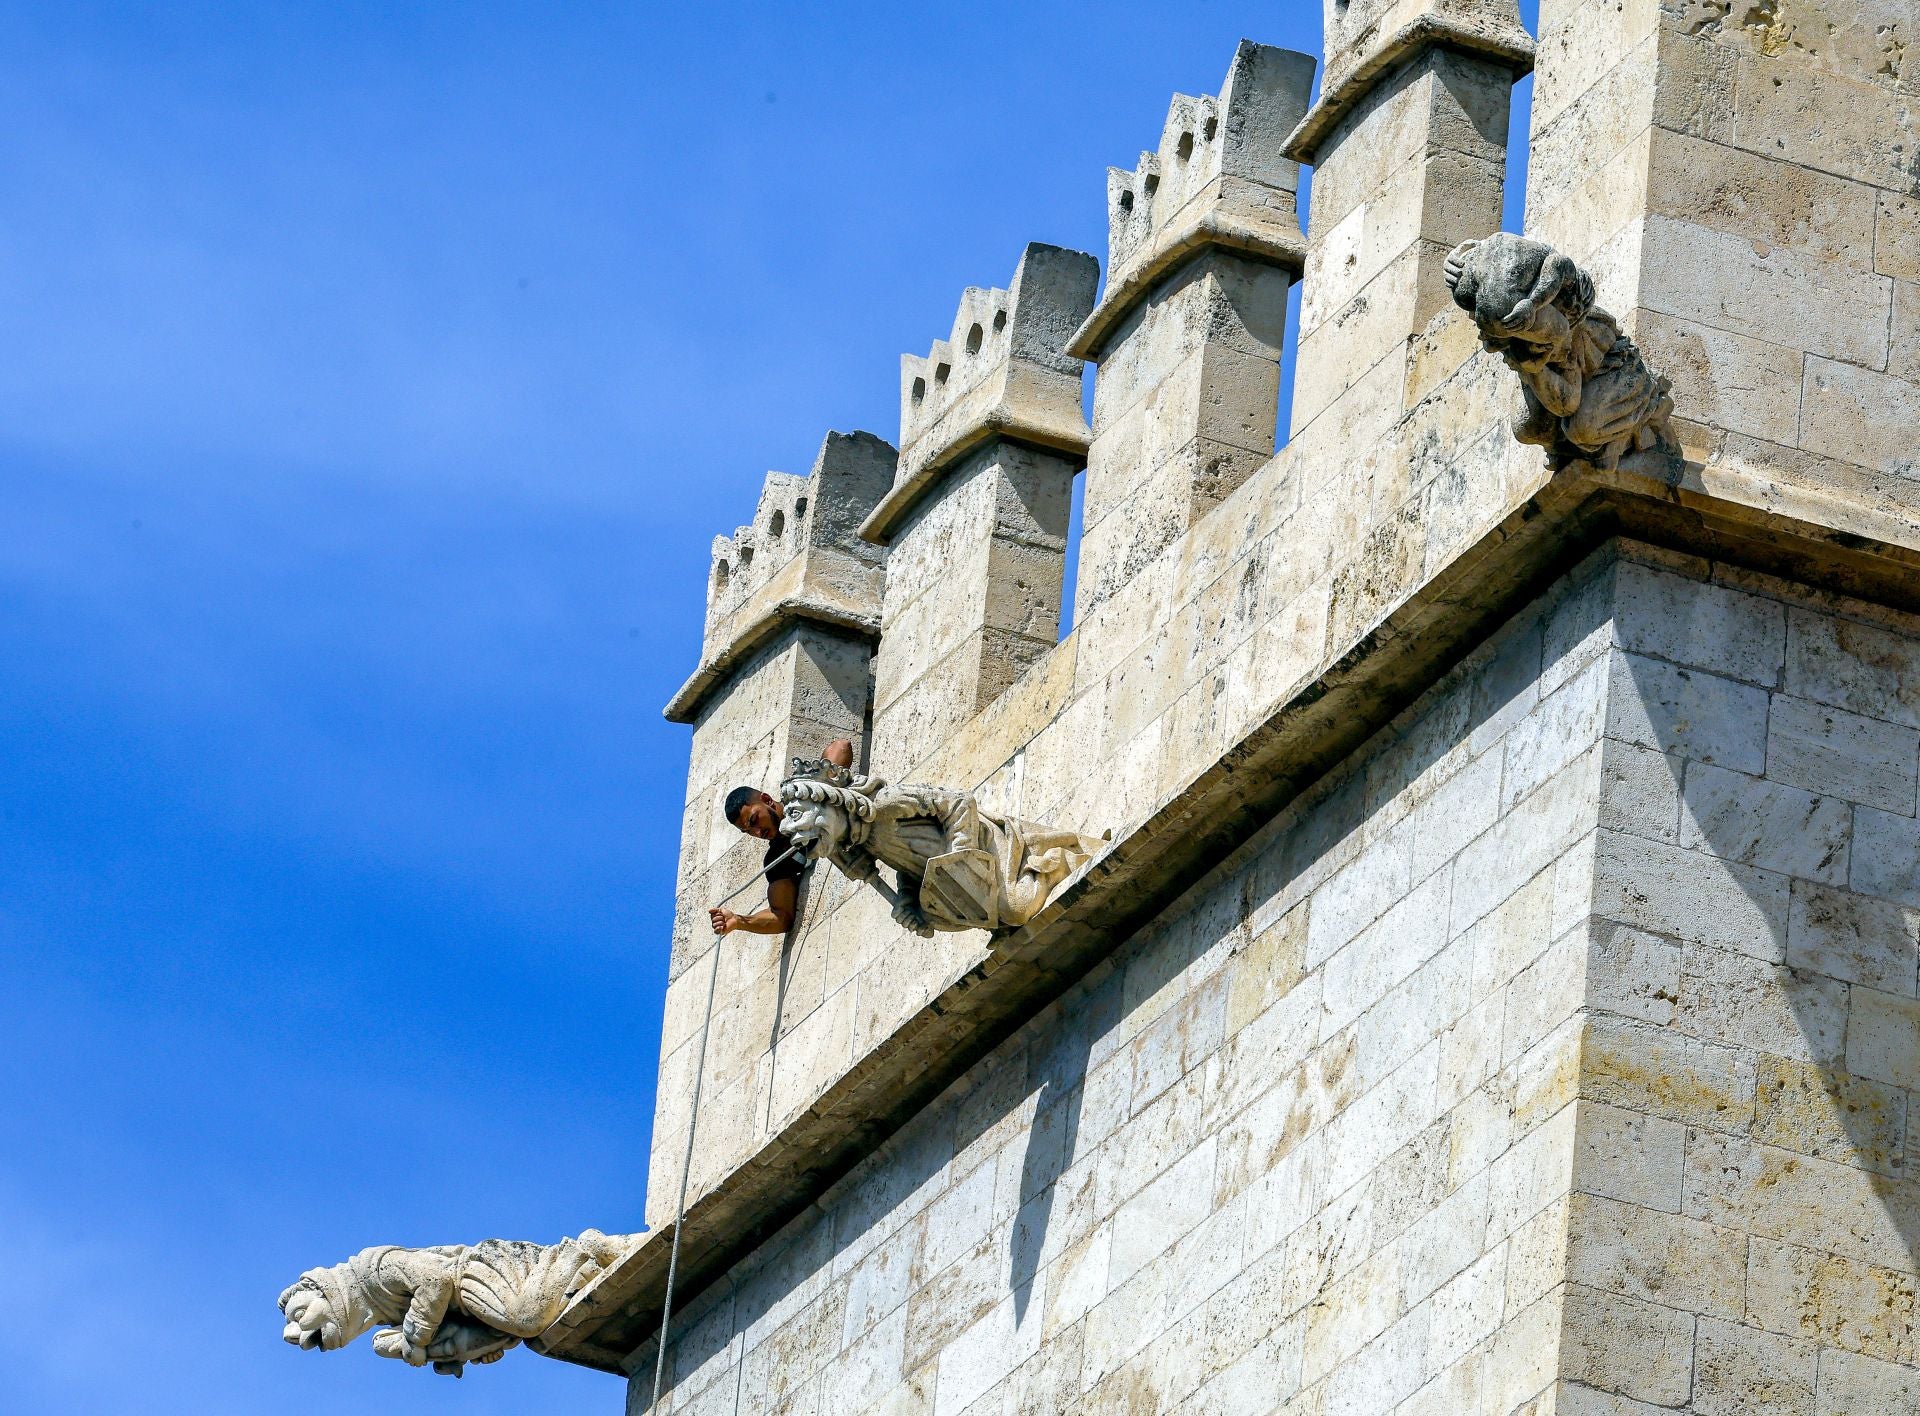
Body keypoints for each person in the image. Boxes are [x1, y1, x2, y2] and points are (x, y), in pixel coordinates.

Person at [708, 738, 855, 937]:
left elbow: (841, 746)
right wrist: (739, 921)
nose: (757, 832)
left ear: (767, 800)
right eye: (748, 831)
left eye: (754, 820)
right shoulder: (777, 860)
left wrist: (820, 790)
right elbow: (781, 916)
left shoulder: (802, 797)